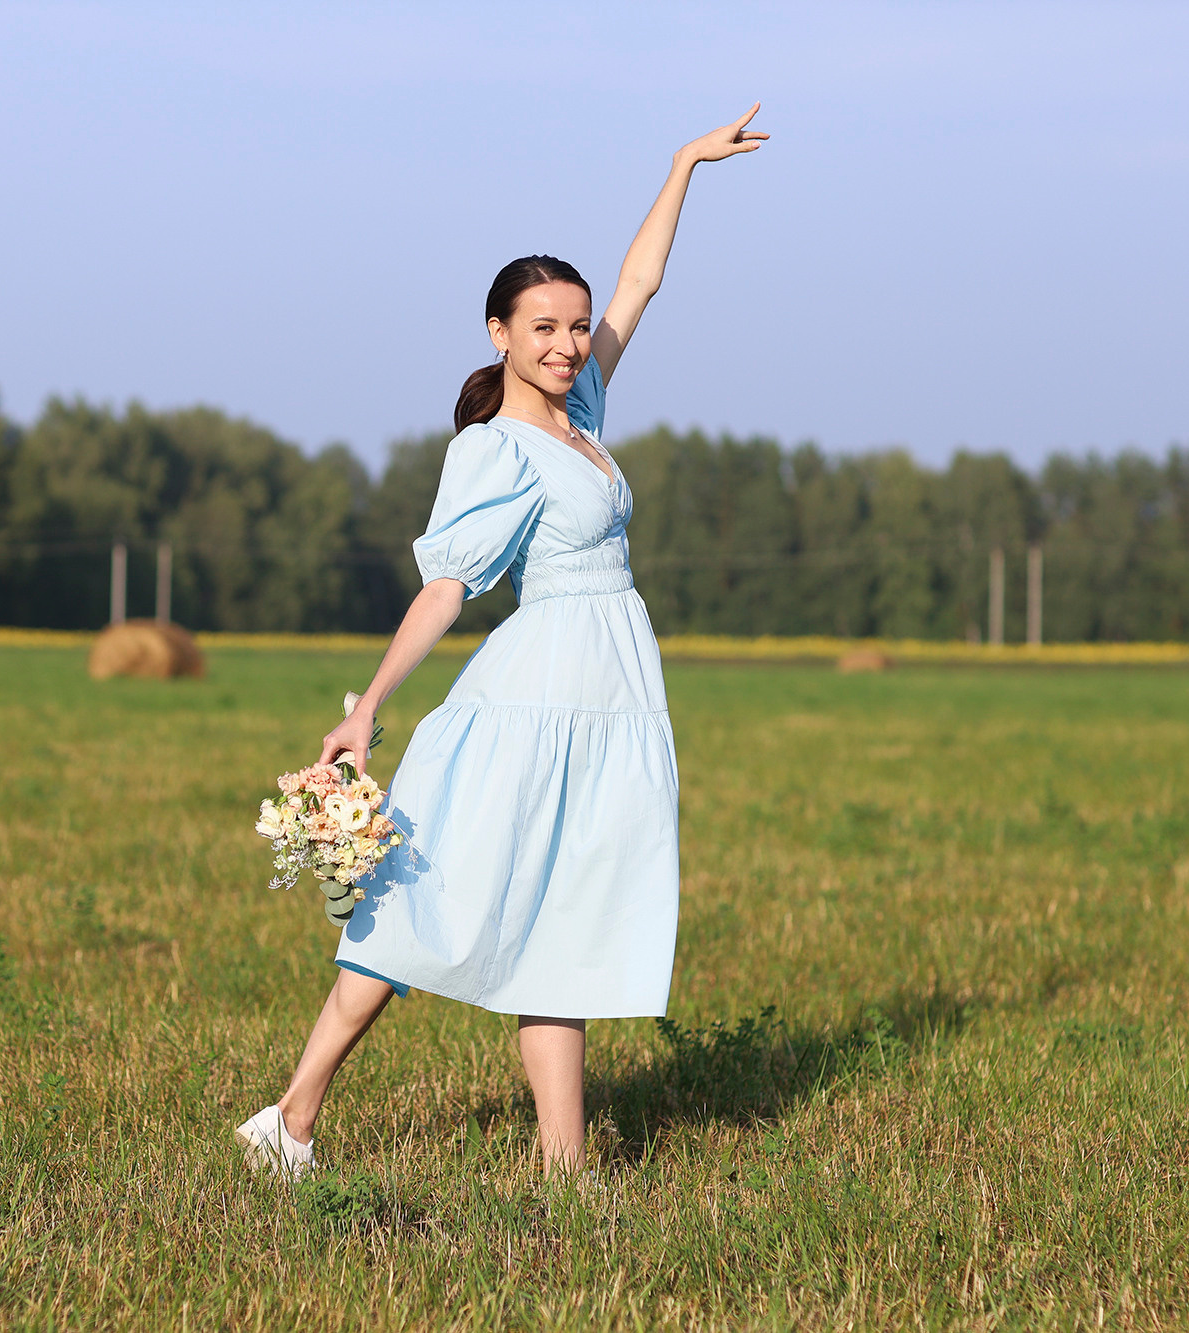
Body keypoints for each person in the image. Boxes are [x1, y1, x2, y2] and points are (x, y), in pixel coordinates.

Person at [237, 106, 768, 1178]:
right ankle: (289, 1119)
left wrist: (681, 170)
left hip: (608, 695)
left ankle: (564, 1175)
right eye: (544, 328)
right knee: (423, 904)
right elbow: (445, 588)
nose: (568, 343)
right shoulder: (496, 448)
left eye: (573, 328)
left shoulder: (587, 416)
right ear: (498, 335)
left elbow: (637, 287)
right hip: (528, 697)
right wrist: (368, 705)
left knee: (565, 924)